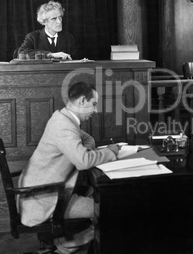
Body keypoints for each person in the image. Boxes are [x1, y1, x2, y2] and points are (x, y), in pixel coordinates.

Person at [17, 82, 120, 254]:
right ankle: (69, 245)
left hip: (44, 193)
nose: (95, 110)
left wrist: (82, 150)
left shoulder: (63, 117)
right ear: (81, 101)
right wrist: (110, 152)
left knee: (100, 198)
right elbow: (83, 161)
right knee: (110, 206)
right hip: (44, 200)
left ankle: (69, 243)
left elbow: (89, 141)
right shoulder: (64, 126)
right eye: (93, 104)